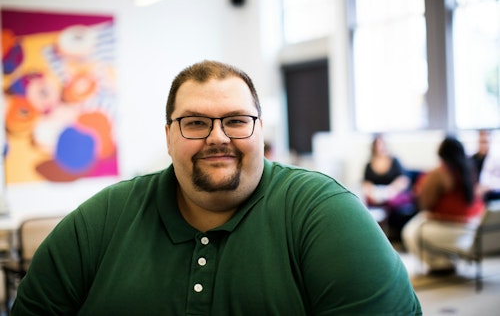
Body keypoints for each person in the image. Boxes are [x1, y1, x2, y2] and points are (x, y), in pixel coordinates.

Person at [12, 60, 421, 315]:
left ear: (261, 132)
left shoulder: (325, 215)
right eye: (195, 122)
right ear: (169, 136)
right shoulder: (101, 220)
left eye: (237, 120)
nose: (218, 137)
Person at [402, 136, 485, 275]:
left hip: (453, 228)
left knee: (410, 231)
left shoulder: (440, 173)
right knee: (420, 222)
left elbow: (425, 204)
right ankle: (445, 262)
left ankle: (440, 264)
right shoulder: (469, 169)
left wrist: (420, 189)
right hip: (472, 226)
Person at [362, 133, 416, 241]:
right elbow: (366, 183)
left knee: (393, 203)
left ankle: (395, 237)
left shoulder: (394, 161)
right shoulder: (369, 165)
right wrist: (372, 192)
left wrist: (391, 190)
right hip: (376, 196)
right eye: (377, 144)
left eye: (381, 144)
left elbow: (403, 180)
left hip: (394, 194)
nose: (379, 147)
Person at [471, 129, 500, 201]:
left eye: (486, 142)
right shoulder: (472, 159)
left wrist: (486, 187)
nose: (483, 145)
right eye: (481, 142)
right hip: (474, 190)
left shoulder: (496, 159)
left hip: (490, 192)